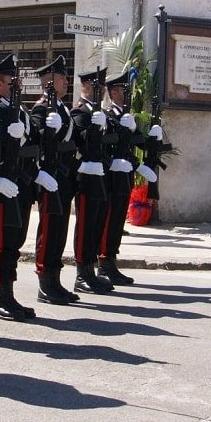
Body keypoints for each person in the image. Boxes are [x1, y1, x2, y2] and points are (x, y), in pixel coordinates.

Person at [0, 53, 37, 321]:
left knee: (15, 241)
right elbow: (1, 144)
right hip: (5, 184)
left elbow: (31, 143)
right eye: (10, 81)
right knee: (3, 241)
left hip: (22, 184)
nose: (15, 85)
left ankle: (9, 293)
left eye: (16, 81)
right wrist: (11, 135)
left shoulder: (20, 110)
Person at [30, 56, 80, 304]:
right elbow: (39, 139)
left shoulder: (62, 107)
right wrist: (52, 128)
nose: (66, 82)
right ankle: (44, 282)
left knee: (60, 230)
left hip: (64, 176)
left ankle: (56, 280)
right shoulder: (41, 108)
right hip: (50, 175)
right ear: (50, 82)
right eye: (61, 78)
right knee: (49, 229)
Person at [70, 69, 114, 294]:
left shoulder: (99, 112)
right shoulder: (80, 111)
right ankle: (81, 273)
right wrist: (94, 127)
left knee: (97, 224)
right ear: (84, 87)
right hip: (86, 177)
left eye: (103, 87)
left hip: (100, 175)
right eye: (97, 87)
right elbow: (81, 144)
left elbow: (103, 147)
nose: (101, 90)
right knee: (86, 225)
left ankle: (91, 270)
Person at [96, 70, 141, 286]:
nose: (127, 93)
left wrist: (133, 128)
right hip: (111, 177)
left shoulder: (127, 115)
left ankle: (111, 260)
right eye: (123, 89)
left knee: (118, 220)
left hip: (125, 175)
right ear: (113, 92)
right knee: (109, 219)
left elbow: (137, 142)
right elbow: (105, 144)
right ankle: (104, 263)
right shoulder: (106, 115)